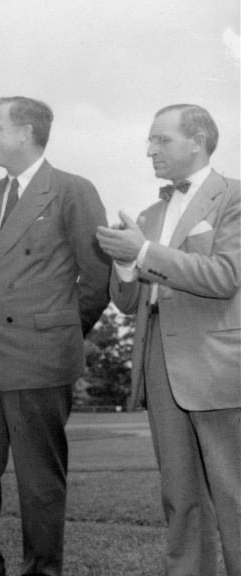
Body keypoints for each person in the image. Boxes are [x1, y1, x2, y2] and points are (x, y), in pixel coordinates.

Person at [0, 96, 111, 576]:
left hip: (39, 359)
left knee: (39, 482)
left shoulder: (71, 190)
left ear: (25, 132)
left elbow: (96, 278)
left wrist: (55, 333)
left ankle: (43, 572)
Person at [96, 104, 240, 576]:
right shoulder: (148, 213)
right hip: (159, 363)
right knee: (180, 499)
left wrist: (142, 250)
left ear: (196, 141)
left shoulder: (234, 198)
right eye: (149, 140)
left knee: (235, 496)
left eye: (161, 139)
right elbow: (129, 302)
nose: (150, 149)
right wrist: (123, 265)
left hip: (217, 365)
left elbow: (225, 276)